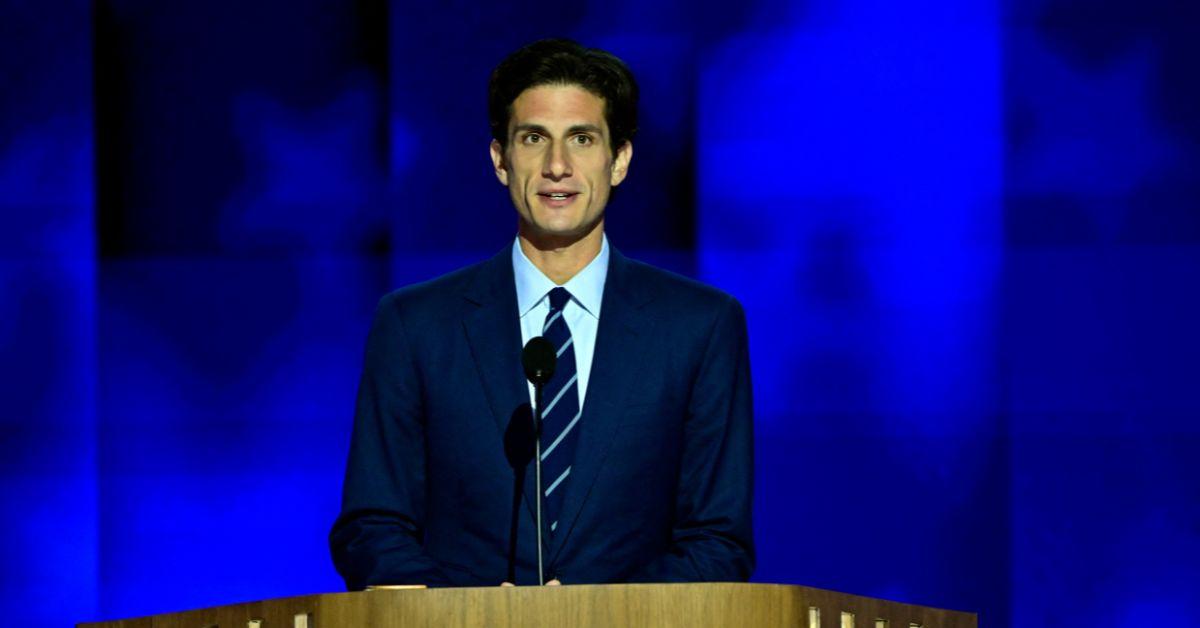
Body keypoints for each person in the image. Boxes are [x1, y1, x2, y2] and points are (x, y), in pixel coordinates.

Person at [329, 38, 754, 588]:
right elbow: (373, 527)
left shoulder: (701, 326)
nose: (557, 166)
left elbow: (718, 542)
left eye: (582, 139)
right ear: (500, 159)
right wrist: (475, 618)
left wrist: (594, 619)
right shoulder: (415, 325)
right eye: (534, 139)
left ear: (619, 159)